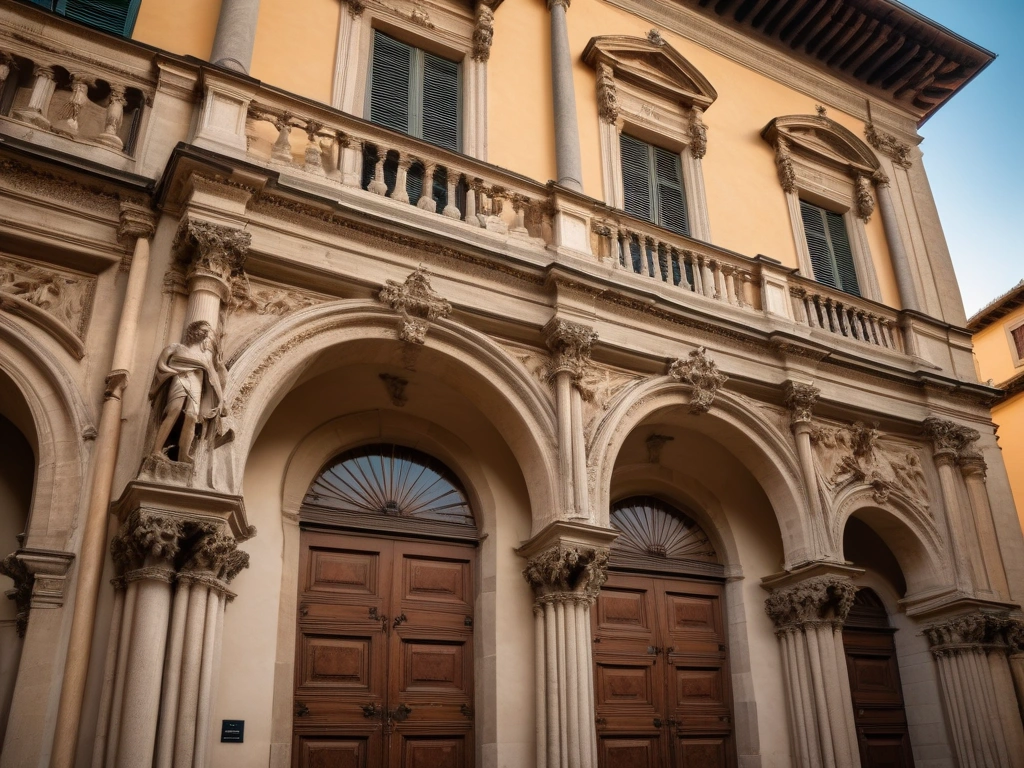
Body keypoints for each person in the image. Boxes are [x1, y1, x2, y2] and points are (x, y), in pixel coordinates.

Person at [148, 320, 226, 463]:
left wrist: (221, 399)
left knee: (191, 416)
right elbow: (162, 365)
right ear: (194, 332)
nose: (206, 334)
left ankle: (183, 454)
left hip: (196, 384)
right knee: (174, 410)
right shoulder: (176, 348)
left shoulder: (205, 357)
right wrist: (172, 371)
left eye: (207, 332)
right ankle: (156, 450)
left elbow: (214, 376)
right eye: (205, 331)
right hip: (180, 379)